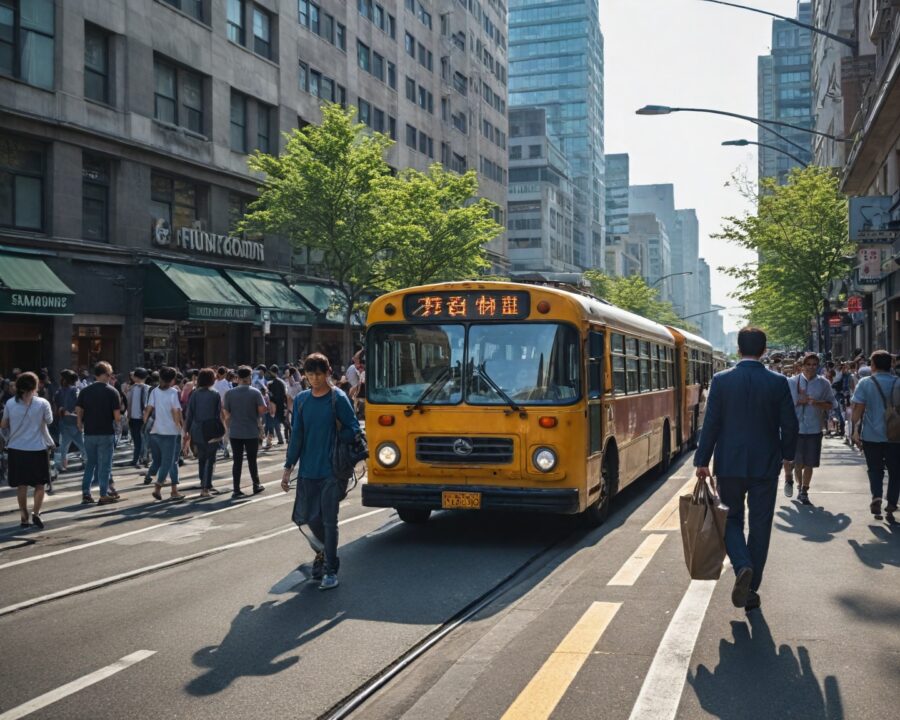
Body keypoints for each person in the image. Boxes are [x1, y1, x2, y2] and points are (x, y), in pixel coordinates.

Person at [693, 327, 798, 612]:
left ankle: (742, 565)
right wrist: (788, 456)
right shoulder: (778, 382)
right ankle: (750, 589)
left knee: (730, 520)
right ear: (764, 351)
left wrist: (702, 460)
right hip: (766, 464)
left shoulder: (722, 380)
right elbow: (790, 424)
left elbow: (711, 423)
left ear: (738, 350)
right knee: (761, 524)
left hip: (729, 463)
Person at [281, 353, 361, 591]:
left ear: (328, 373)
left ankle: (330, 570)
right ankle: (323, 553)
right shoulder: (303, 400)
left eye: (318, 373)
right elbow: (297, 435)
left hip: (332, 470)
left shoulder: (338, 399)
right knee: (306, 518)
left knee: (328, 520)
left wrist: (340, 433)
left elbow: (353, 428)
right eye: (310, 374)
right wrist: (288, 468)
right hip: (308, 470)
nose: (314, 378)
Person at [851, 350, 900, 517]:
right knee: (895, 471)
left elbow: (858, 409)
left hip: (871, 434)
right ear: (891, 364)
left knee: (874, 469)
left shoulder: (865, 383)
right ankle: (892, 501)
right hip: (896, 435)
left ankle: (877, 497)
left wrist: (855, 430)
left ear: (872, 365)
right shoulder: (898, 382)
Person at [1, 372, 53, 528]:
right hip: (37, 448)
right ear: (35, 386)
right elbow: (49, 420)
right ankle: (36, 513)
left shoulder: (10, 403)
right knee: (40, 484)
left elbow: (3, 425)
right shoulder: (43, 403)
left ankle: (23, 515)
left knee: (21, 485)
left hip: (17, 449)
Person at [785, 353, 835, 504]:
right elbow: (783, 405)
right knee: (798, 462)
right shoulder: (791, 382)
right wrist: (800, 401)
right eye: (808, 364)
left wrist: (816, 403)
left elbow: (832, 404)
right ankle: (797, 484)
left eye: (814, 364)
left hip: (814, 428)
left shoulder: (824, 383)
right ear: (802, 366)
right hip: (796, 428)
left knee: (809, 462)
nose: (811, 367)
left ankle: (804, 490)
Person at [76, 362, 122, 505]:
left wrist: (79, 422)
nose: (111, 376)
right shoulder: (112, 391)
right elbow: (117, 416)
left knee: (91, 463)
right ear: (105, 374)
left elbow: (79, 409)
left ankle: (86, 493)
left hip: (89, 432)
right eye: (110, 374)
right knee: (105, 465)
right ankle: (103, 494)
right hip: (106, 432)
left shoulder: (85, 391)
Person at [224, 365, 267, 499]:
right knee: (252, 460)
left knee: (237, 461)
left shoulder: (230, 393)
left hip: (235, 431)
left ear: (237, 378)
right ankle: (256, 484)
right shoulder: (255, 392)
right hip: (251, 430)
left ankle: (236, 489)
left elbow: (226, 413)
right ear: (249, 377)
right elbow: (262, 410)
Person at [144, 366, 185, 502]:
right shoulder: (174, 392)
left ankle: (174, 490)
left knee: (165, 461)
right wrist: (180, 427)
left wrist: (144, 425)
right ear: (173, 380)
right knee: (168, 462)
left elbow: (148, 409)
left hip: (155, 432)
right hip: (170, 432)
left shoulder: (154, 391)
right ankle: (158, 487)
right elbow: (176, 411)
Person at [184, 368, 225, 498]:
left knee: (201, 458)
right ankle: (206, 487)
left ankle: (204, 483)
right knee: (211, 458)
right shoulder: (215, 394)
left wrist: (186, 431)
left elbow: (189, 414)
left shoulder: (194, 393)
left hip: (197, 429)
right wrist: (222, 431)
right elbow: (218, 414)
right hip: (211, 428)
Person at [53, 369, 84, 472]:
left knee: (63, 445)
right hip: (74, 420)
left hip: (63, 420)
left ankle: (61, 464)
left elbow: (58, 405)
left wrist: (63, 409)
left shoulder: (59, 391)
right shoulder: (75, 390)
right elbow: (77, 405)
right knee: (81, 443)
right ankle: (87, 461)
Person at [126, 368, 150, 467]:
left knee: (138, 440)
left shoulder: (134, 388)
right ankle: (142, 458)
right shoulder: (146, 388)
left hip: (136, 418)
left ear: (135, 377)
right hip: (141, 418)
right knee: (142, 440)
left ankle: (138, 459)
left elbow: (129, 403)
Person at [265, 364, 288, 449]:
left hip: (274, 405)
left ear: (271, 371)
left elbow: (273, 395)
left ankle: (269, 441)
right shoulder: (281, 381)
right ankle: (281, 439)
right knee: (281, 423)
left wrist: (270, 397)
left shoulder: (274, 383)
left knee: (272, 424)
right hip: (281, 405)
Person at [213, 366, 232, 460]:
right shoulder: (226, 383)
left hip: (215, 408)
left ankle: (218, 448)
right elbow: (229, 394)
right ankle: (225, 448)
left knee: (218, 429)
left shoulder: (214, 383)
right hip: (225, 408)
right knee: (226, 428)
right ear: (224, 374)